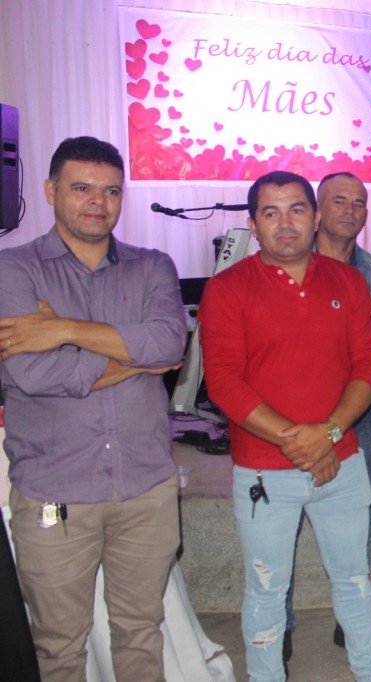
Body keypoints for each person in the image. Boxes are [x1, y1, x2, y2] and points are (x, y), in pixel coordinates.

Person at [0, 136, 187, 680]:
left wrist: (62, 329)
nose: (97, 202)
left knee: (141, 632)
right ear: (50, 190)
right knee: (59, 647)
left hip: (145, 487)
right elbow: (34, 374)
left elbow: (169, 344)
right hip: (54, 492)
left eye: (110, 191)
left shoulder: (152, 266)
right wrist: (137, 358)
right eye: (82, 188)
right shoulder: (12, 270)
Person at [198, 170, 371, 682]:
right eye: (271, 212)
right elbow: (225, 384)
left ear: (315, 216)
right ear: (253, 224)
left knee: (355, 582)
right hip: (264, 473)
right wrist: (301, 442)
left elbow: (369, 365)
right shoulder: (227, 288)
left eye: (297, 210)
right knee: (266, 590)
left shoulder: (348, 281)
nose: (286, 223)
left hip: (341, 466)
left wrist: (327, 434)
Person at [281, 171, 371, 665]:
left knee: (356, 527)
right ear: (316, 211)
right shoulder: (283, 263)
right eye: (339, 201)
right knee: (282, 532)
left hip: (358, 422)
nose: (350, 210)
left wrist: (336, 426)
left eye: (359, 203)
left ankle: (353, 626)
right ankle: (278, 625)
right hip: (286, 427)